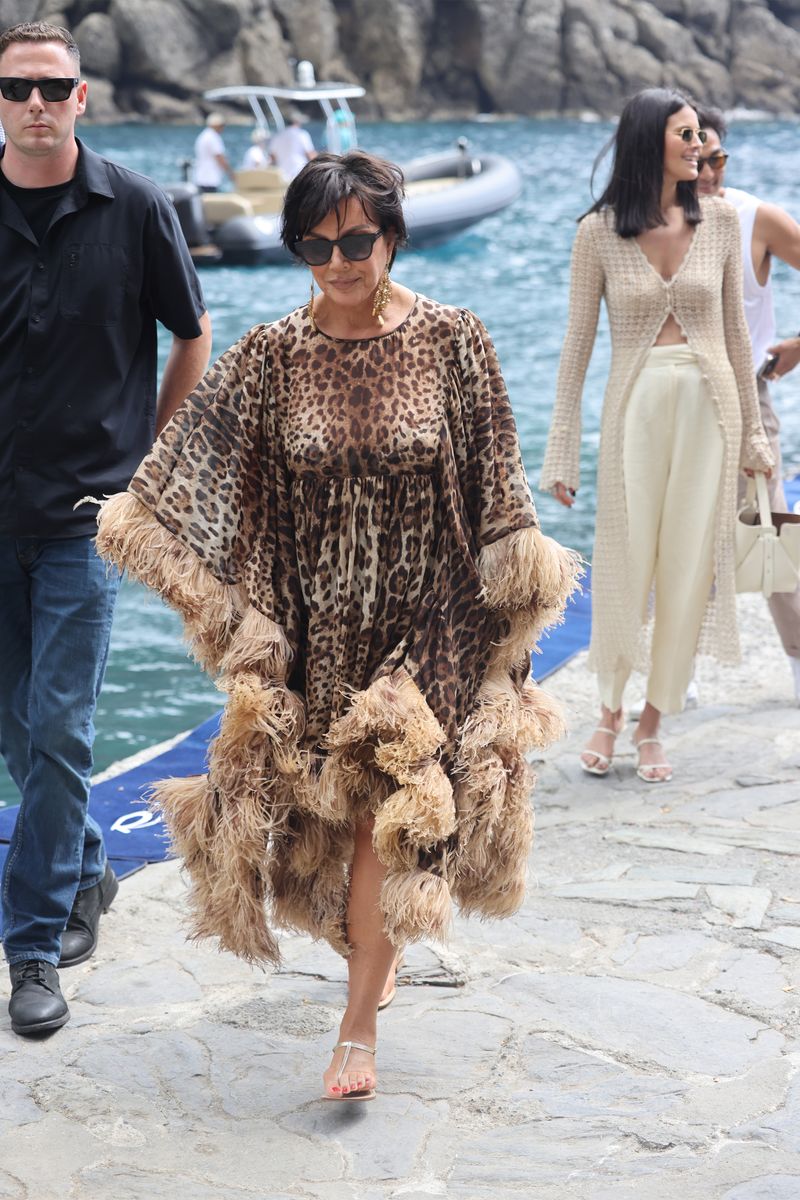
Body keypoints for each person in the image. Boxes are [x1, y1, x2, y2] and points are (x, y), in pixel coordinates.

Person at [95, 150, 578, 1101]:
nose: (338, 263)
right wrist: (136, 518)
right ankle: (372, 953)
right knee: (330, 813)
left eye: (355, 242)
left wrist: (502, 631)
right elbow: (186, 465)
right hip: (323, 619)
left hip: (432, 613)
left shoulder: (455, 340)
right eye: (315, 247)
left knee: (379, 818)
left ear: (391, 236)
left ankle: (357, 1031)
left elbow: (497, 484)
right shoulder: (271, 356)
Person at [0, 21, 212, 1037]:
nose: (35, 104)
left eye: (53, 87)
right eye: (16, 88)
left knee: (59, 726)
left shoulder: (135, 207)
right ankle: (85, 862)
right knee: (18, 725)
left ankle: (33, 946)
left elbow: (192, 336)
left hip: (84, 519)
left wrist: (148, 469)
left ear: (82, 97)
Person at [540, 87, 774, 783]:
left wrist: (756, 437)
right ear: (650, 140)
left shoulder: (722, 221)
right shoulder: (598, 232)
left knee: (687, 570)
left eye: (700, 135)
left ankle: (651, 721)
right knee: (624, 562)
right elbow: (577, 344)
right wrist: (562, 448)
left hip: (713, 410)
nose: (700, 146)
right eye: (686, 134)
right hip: (633, 409)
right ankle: (608, 710)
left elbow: (735, 335)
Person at [694, 106, 800, 705]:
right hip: (679, 394)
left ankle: (799, 657)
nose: (708, 172)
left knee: (770, 526)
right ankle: (671, 673)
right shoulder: (653, 224)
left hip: (749, 394)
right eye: (695, 161)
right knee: (674, 533)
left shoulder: (756, 217)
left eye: (717, 158)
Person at [193, 112, 233, 192]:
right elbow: (219, 157)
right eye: (222, 125)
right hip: (210, 178)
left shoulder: (203, 135)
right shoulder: (213, 137)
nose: (223, 128)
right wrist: (230, 173)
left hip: (200, 177)